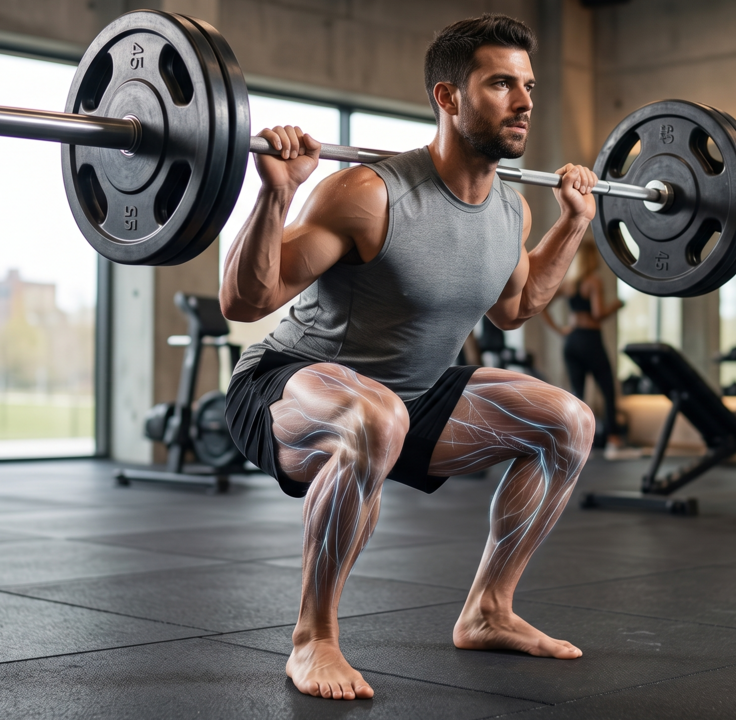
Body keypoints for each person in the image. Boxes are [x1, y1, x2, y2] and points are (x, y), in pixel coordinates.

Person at [222, 15, 596, 702]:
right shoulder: (368, 194)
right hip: (284, 390)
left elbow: (515, 306)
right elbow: (248, 301)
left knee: (568, 421)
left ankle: (489, 610)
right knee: (376, 416)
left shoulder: (512, 210)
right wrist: (275, 193)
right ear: (449, 98)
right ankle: (314, 639)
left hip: (412, 396)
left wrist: (574, 223)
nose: (524, 102)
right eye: (501, 84)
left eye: (530, 86)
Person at [544, 238, 636, 459]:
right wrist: (617, 305)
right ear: (592, 258)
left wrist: (560, 330)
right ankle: (614, 442)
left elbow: (542, 305)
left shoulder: (569, 284)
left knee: (578, 395)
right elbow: (597, 314)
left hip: (572, 341)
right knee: (607, 390)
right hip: (590, 339)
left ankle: (577, 445)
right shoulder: (594, 282)